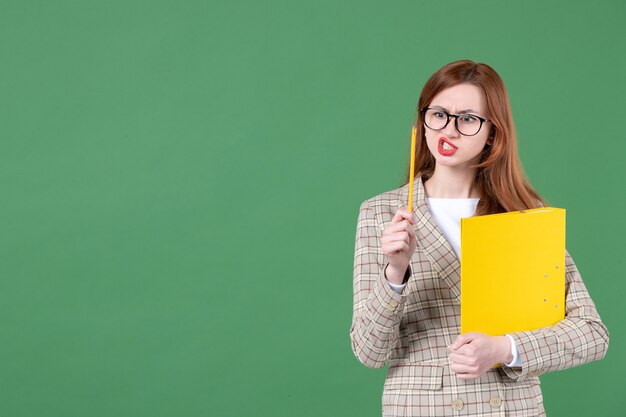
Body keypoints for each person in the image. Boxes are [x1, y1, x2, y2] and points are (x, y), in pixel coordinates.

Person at [349, 60, 609, 417]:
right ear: (421, 122)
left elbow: (592, 334)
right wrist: (394, 274)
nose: (449, 130)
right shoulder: (380, 212)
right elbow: (369, 352)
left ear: (493, 132)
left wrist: (507, 348)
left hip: (510, 408)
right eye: (438, 114)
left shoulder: (523, 213)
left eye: (468, 119)